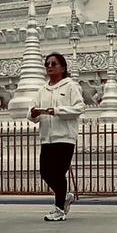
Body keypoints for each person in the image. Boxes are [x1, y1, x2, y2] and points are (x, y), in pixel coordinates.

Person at [30, 52, 85, 222]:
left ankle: (59, 209)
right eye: (47, 64)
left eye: (54, 64)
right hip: (47, 138)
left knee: (59, 172)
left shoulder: (70, 86)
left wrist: (58, 111)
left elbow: (79, 108)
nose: (50, 67)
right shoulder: (42, 90)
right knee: (46, 172)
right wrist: (33, 113)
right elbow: (33, 111)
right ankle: (64, 196)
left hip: (64, 137)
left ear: (63, 67)